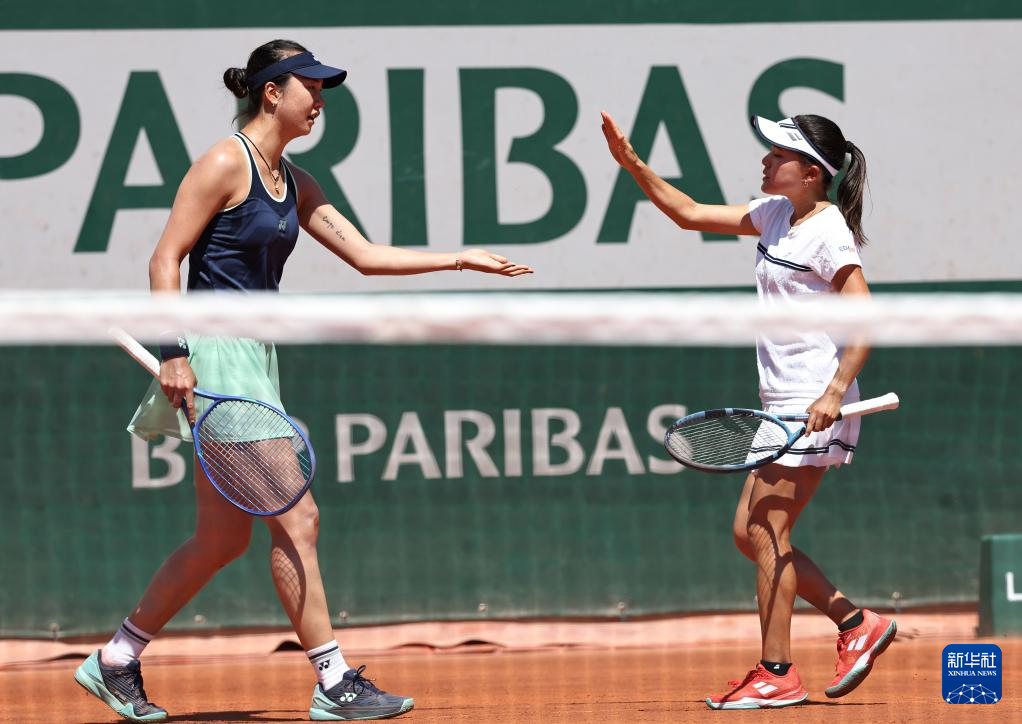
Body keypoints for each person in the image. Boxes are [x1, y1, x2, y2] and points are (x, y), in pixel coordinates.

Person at [74, 39, 532, 723]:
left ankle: (115, 658)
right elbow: (165, 258)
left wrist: (459, 259)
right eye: (309, 88)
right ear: (271, 92)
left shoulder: (295, 179)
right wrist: (174, 352)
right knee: (299, 518)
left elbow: (365, 255)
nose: (319, 101)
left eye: (322, 90)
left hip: (257, 359)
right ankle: (333, 679)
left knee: (221, 541)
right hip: (215, 356)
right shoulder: (224, 162)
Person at [601, 110, 895, 709]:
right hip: (781, 403)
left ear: (811, 173)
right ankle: (854, 622)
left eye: (778, 154)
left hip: (812, 402)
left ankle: (777, 671)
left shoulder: (827, 231)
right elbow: (688, 213)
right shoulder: (776, 213)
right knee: (751, 533)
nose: (766, 160)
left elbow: (865, 318)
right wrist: (632, 164)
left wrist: (834, 391)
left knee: (766, 531)